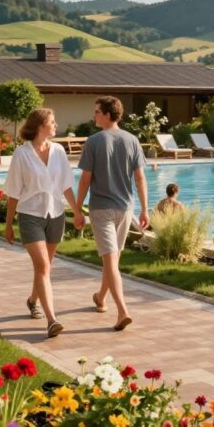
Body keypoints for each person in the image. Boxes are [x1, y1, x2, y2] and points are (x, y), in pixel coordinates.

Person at [3, 108, 83, 339]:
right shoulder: (21, 154)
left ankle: (32, 300)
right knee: (43, 267)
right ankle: (52, 320)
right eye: (52, 122)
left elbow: (66, 185)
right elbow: (13, 192)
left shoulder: (58, 151)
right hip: (30, 215)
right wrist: (9, 224)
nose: (56, 125)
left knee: (44, 267)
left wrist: (77, 212)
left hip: (56, 214)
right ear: (40, 126)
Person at [74, 96, 148, 331]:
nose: (94, 115)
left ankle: (123, 311)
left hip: (102, 209)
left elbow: (85, 179)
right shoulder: (132, 140)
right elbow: (140, 177)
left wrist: (77, 208)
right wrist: (145, 208)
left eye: (97, 112)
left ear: (107, 114)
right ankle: (100, 298)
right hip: (126, 208)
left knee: (111, 261)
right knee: (112, 259)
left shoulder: (94, 141)